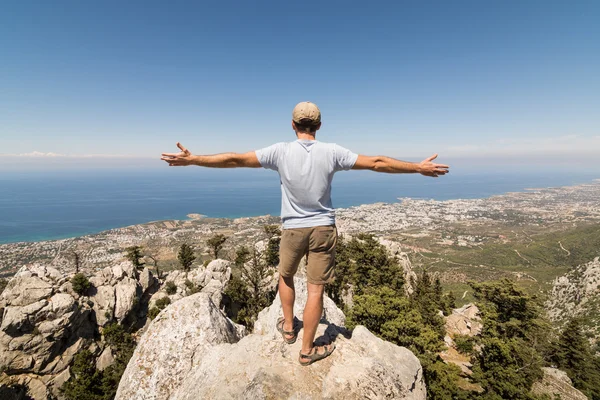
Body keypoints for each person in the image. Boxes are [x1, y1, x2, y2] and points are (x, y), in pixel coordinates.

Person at [161, 101, 449, 366]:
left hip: (292, 228)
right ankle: (307, 349)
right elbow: (377, 163)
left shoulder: (280, 151)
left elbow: (235, 159)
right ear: (320, 126)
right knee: (316, 289)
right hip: (323, 228)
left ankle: (288, 328)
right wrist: (417, 168)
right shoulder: (333, 152)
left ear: (292, 124)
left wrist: (194, 159)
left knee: (285, 277)